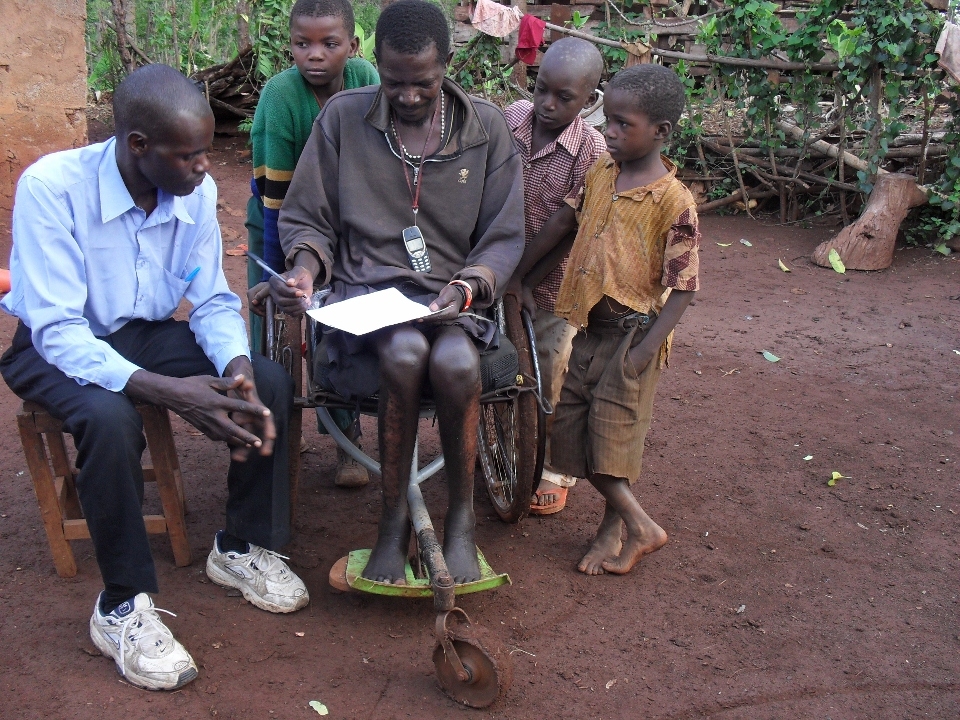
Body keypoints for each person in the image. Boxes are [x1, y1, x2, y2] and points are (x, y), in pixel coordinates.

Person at [0, 65, 308, 692]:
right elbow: (59, 331)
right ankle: (121, 606)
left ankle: (241, 546)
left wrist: (235, 368)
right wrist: (168, 392)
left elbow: (210, 297)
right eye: (191, 155)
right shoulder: (52, 189)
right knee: (110, 419)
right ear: (138, 145)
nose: (205, 169)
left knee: (268, 383)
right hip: (51, 343)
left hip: (134, 331)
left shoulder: (189, 192)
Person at [266, 0, 524, 584]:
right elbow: (307, 219)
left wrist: (468, 286)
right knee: (404, 353)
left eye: (423, 83)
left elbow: (504, 235)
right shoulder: (342, 119)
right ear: (375, 62)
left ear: (448, 64)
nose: (407, 95)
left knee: (457, 363)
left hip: (448, 305)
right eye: (394, 81)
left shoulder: (486, 128)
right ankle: (393, 523)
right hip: (366, 306)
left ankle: (459, 522)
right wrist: (305, 269)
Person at [543, 64, 701, 576]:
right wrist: (522, 275)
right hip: (590, 329)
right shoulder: (602, 173)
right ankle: (627, 527)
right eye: (606, 119)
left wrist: (642, 353)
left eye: (622, 124)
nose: (607, 131)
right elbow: (565, 223)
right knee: (571, 438)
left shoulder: (673, 202)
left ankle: (629, 528)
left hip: (634, 336)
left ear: (661, 132)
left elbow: (684, 288)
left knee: (612, 444)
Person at [246, 0, 379, 488]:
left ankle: (347, 437)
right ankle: (268, 426)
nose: (315, 55)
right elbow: (274, 198)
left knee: (338, 322)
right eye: (302, 44)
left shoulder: (368, 80)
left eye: (329, 44)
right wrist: (278, 277)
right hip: (279, 215)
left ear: (352, 46)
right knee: (272, 317)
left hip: (351, 218)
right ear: (290, 46)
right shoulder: (281, 98)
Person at [502, 37, 606, 516]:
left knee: (551, 370)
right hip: (501, 271)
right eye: (541, 88)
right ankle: (508, 449)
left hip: (555, 283)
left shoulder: (592, 150)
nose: (546, 104)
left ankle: (553, 467)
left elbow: (567, 226)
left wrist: (521, 276)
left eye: (563, 98)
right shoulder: (510, 121)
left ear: (589, 99)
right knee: (502, 362)